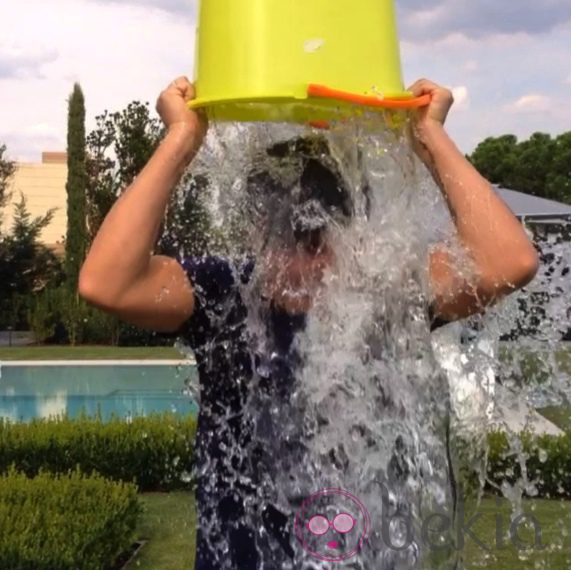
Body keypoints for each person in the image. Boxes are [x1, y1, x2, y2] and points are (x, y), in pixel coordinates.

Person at [79, 76, 539, 568]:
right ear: (255, 232)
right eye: (285, 240)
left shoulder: (383, 293)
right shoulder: (224, 293)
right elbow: (107, 283)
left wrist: (429, 137)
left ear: (349, 231)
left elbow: (507, 262)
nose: (304, 263)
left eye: (319, 242)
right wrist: (182, 139)